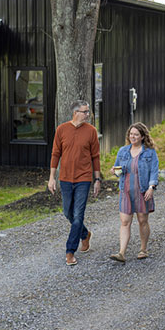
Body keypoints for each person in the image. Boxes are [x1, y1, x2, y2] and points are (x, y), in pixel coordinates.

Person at [47, 100, 102, 266]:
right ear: (75, 113)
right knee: (67, 212)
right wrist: (51, 178)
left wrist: (97, 179)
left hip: (83, 179)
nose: (88, 114)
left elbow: (95, 157)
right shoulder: (61, 129)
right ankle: (84, 234)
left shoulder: (91, 131)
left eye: (88, 111)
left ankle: (70, 251)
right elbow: (55, 154)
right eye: (85, 112)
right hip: (65, 178)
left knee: (78, 215)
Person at [108, 123, 159, 264]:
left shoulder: (149, 152)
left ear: (142, 136)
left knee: (142, 220)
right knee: (125, 221)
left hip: (142, 191)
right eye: (131, 134)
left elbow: (154, 171)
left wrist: (151, 187)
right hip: (126, 191)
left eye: (136, 134)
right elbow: (119, 170)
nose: (133, 137)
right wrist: (115, 171)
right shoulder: (123, 151)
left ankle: (143, 249)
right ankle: (121, 253)